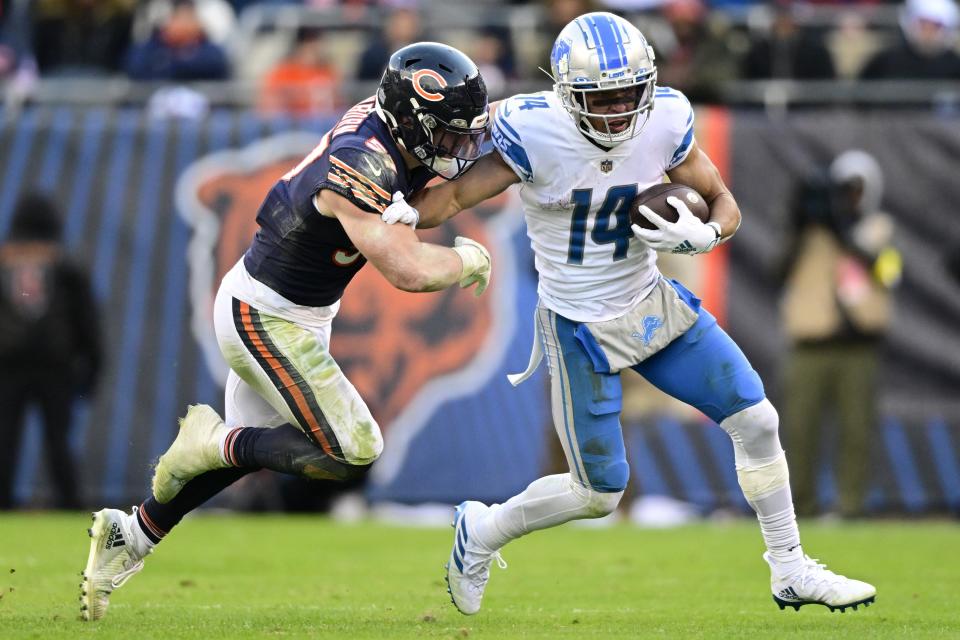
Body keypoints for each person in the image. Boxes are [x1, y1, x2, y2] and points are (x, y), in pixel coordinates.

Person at [382, 12, 877, 615]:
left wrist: (706, 234)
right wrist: (403, 210)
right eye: (601, 98)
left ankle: (790, 567)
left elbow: (725, 202)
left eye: (628, 94)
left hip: (652, 304)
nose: (618, 111)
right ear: (566, 93)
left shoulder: (666, 117)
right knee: (597, 494)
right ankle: (482, 532)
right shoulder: (532, 129)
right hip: (577, 324)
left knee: (758, 419)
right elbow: (456, 194)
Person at [79, 42, 492, 621]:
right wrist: (468, 261)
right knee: (352, 452)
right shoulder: (362, 162)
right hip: (267, 316)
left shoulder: (389, 128)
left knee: (252, 453)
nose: (456, 148)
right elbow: (408, 270)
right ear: (412, 121)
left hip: (292, 311)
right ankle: (211, 441)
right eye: (447, 136)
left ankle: (131, 537)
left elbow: (462, 161)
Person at [779, 150, 900, 518]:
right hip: (810, 345)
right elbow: (778, 270)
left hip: (858, 346)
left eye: (857, 189)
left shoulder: (878, 228)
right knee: (799, 429)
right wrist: (799, 223)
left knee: (856, 430)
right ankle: (800, 505)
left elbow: (888, 273)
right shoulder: (811, 235)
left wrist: (843, 228)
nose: (850, 197)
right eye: (843, 190)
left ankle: (851, 505)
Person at [0, 191, 102, 510]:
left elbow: (85, 321)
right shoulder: (66, 269)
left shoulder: (64, 272)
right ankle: (69, 505)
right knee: (55, 443)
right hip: (50, 368)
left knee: (12, 441)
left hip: (18, 368)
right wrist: (91, 369)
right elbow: (87, 324)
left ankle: (57, 502)